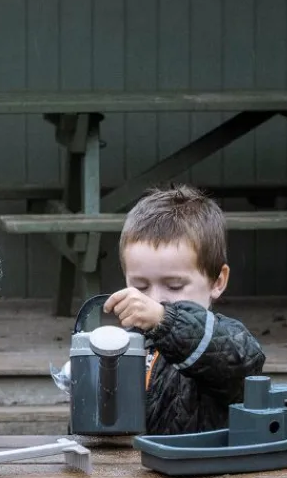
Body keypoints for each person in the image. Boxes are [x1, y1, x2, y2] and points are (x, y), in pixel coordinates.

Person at [103, 184, 265, 435]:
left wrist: (165, 320)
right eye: (140, 286)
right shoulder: (128, 345)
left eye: (174, 286)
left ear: (217, 281)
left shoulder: (227, 339)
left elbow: (242, 363)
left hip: (202, 460)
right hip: (133, 460)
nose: (155, 299)